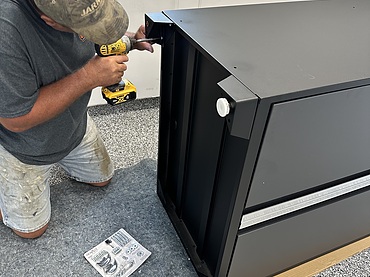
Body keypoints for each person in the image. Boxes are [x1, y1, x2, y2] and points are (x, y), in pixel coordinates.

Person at [0, 0, 154, 239]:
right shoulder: (6, 29)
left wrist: (133, 39)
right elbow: (16, 121)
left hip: (73, 126)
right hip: (24, 147)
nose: (88, 36)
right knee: (31, 232)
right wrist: (88, 77)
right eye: (83, 30)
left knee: (103, 179)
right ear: (50, 20)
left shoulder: (69, 10)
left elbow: (95, 30)